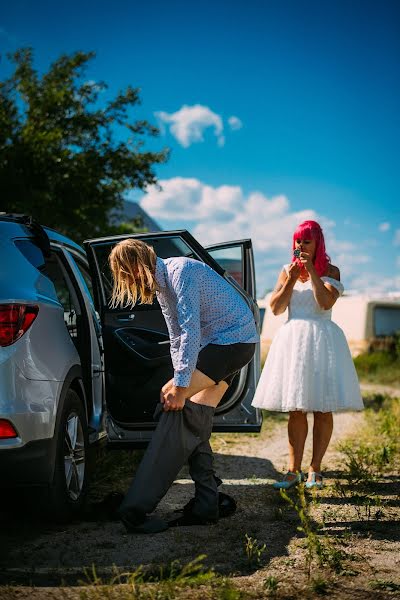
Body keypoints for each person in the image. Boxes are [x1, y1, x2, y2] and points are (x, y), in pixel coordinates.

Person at [108, 239, 259, 533]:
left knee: (174, 408)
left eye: (127, 275)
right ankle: (207, 505)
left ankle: (135, 510)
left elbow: (189, 330)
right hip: (224, 343)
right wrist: (179, 381)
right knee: (193, 417)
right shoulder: (163, 286)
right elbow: (176, 337)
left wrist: (179, 384)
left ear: (138, 264)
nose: (130, 283)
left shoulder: (181, 272)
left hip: (232, 342)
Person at [252, 220, 363, 489]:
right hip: (293, 342)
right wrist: (290, 279)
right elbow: (277, 308)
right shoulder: (285, 271)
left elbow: (325, 302)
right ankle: (293, 471)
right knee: (296, 408)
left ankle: (316, 469)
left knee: (323, 408)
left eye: (306, 241)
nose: (300, 246)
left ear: (317, 244)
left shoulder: (332, 270)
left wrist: (312, 270)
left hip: (323, 340)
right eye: (297, 241)